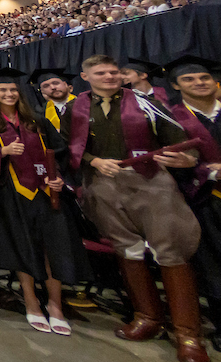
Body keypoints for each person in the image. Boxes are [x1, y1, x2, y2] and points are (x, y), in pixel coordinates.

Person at [70, 55, 204, 362]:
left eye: (114, 72)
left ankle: (187, 334)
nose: (109, 76)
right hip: (103, 183)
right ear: (85, 76)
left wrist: (188, 159)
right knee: (126, 248)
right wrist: (94, 162)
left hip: (150, 181)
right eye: (101, 72)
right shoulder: (75, 108)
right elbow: (70, 145)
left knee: (170, 250)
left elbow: (180, 140)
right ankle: (147, 317)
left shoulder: (145, 103)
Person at [0, 68, 89, 336]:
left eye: (13, 90)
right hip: (10, 193)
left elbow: (59, 153)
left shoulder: (35, 118)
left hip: (46, 192)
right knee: (21, 245)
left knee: (53, 246)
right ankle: (32, 302)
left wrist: (58, 178)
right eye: (3, 90)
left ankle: (55, 305)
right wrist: (2, 151)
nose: (9, 94)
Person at [164, 56, 221, 352]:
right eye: (189, 79)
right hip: (205, 199)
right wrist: (208, 170)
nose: (199, 83)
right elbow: (168, 160)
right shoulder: (171, 118)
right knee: (214, 264)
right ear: (176, 85)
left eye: (204, 78)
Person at [29, 69, 78, 134]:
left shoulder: (84, 104)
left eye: (56, 83)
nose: (52, 87)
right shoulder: (40, 113)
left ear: (67, 85)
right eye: (46, 86)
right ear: (42, 92)